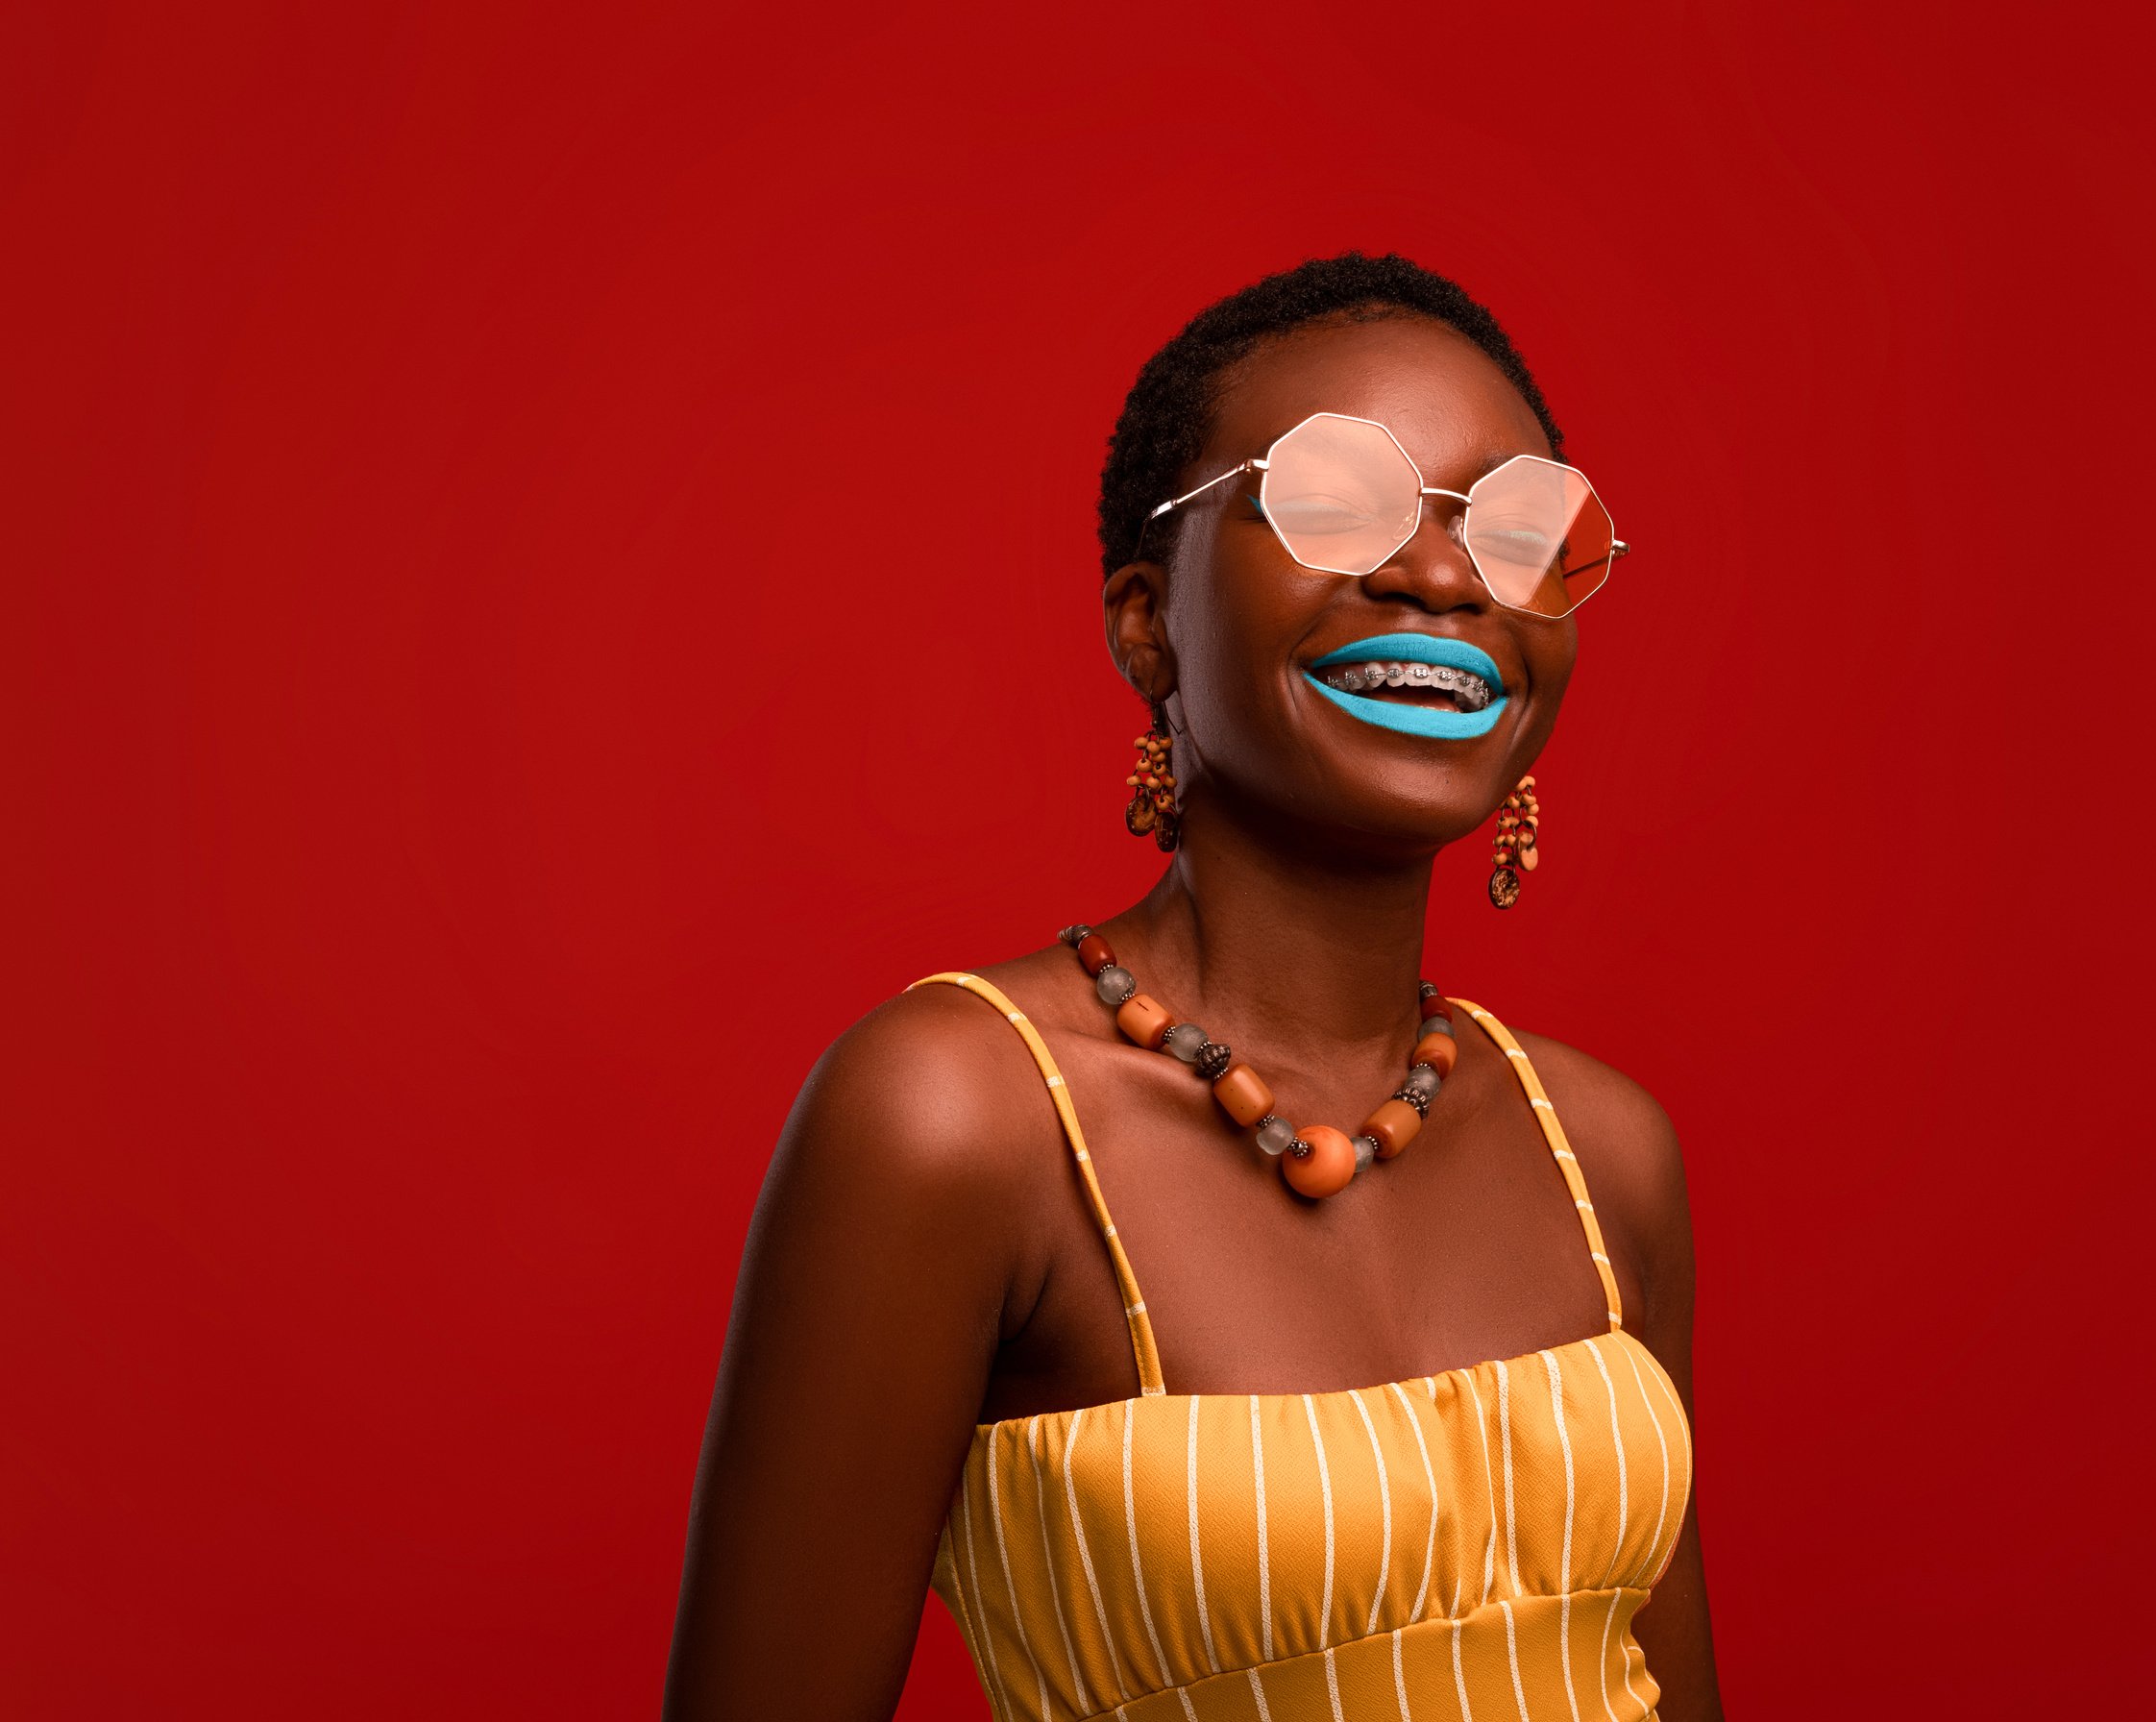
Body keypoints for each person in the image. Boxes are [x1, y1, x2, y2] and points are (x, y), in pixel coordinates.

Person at [666, 253, 1723, 1721]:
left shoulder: (1603, 1150)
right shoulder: (957, 1118)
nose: (1439, 575)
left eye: (1518, 526)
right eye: (1333, 501)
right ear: (1145, 621)